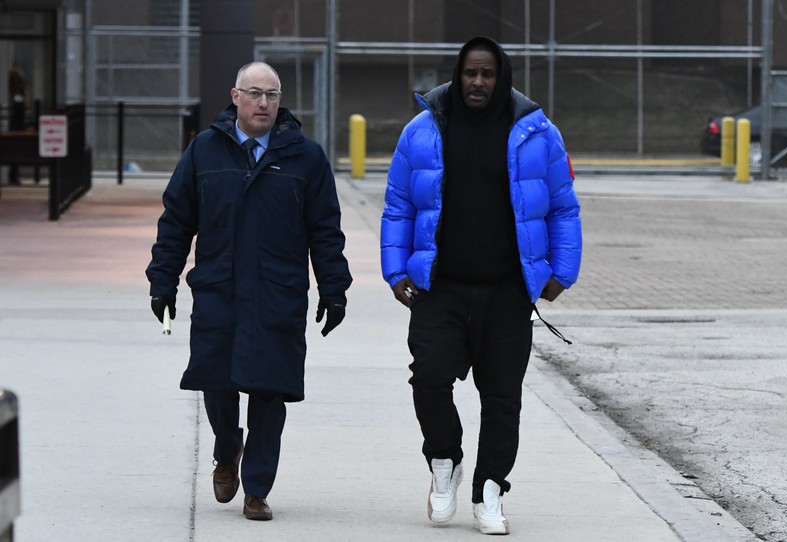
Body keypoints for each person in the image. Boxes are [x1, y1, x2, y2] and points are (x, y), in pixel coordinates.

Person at [380, 37, 582, 535]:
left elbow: (562, 206)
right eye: (470, 73)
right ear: (457, 73)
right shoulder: (422, 131)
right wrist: (395, 272)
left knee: (502, 399)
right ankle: (445, 460)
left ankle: (490, 488)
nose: (477, 82)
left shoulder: (537, 133)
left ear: (501, 77)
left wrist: (562, 272)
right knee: (428, 379)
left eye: (487, 74)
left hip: (507, 292)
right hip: (440, 288)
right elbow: (398, 205)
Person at [146, 61, 352, 521]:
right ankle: (227, 447)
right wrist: (163, 280)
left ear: (280, 102)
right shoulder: (205, 151)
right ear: (235, 97)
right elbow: (177, 221)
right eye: (255, 93)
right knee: (217, 382)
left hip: (278, 294)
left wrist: (334, 289)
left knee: (270, 392)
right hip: (219, 289)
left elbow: (325, 231)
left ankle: (257, 488)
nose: (264, 103)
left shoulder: (305, 157)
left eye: (272, 95)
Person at [7, 67, 27, 185]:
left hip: (13, 129)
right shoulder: (18, 97)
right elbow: (21, 113)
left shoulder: (11, 96)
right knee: (15, 154)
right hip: (17, 130)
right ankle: (13, 177)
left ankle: (13, 176)